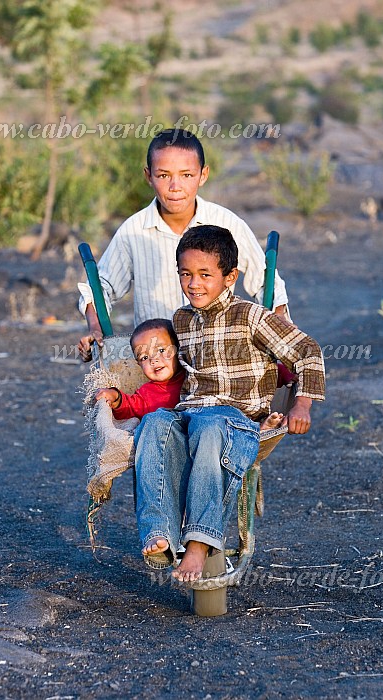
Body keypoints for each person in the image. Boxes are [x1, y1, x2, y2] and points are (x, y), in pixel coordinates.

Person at [134, 225, 325, 583]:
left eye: (205, 275)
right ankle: (159, 533)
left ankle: (199, 543)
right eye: (186, 274)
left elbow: (307, 351)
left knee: (211, 425)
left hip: (235, 421)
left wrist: (303, 404)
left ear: (230, 277)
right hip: (190, 415)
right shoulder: (181, 320)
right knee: (155, 423)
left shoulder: (250, 316)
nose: (194, 284)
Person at [77, 128, 291, 362]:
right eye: (163, 175)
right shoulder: (133, 231)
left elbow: (265, 280)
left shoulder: (226, 223)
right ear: (149, 176)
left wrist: (278, 319)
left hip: (216, 354)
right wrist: (95, 328)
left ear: (203, 175)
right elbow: (101, 286)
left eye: (187, 175)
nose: (175, 186)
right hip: (158, 361)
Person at [96, 317, 288, 432]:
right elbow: (130, 406)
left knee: (228, 415)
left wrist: (285, 375)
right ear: (138, 364)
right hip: (177, 442)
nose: (154, 360)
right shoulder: (147, 394)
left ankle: (257, 429)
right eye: (145, 357)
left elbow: (250, 374)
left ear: (180, 349)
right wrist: (115, 396)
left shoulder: (197, 372)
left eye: (162, 351)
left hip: (214, 428)